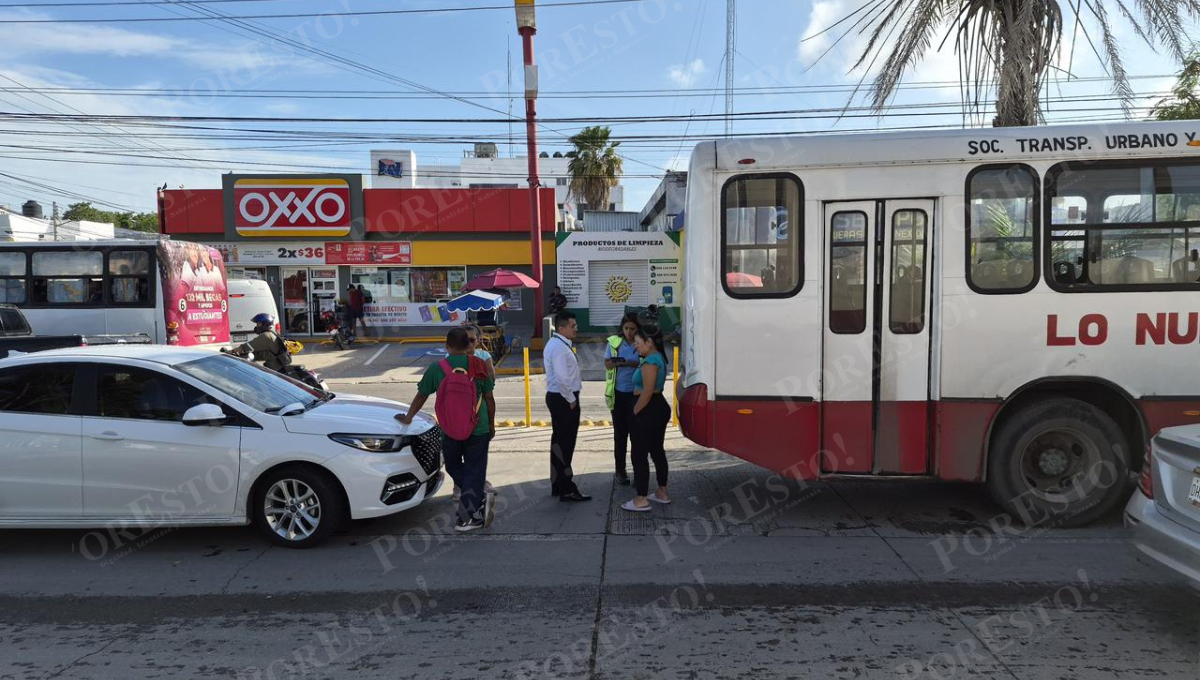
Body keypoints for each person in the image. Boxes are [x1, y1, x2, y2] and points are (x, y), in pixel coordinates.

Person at [397, 328, 497, 532]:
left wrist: (408, 417)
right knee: (475, 470)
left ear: (447, 346)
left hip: (449, 429)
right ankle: (474, 500)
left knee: (452, 465)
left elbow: (421, 395)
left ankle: (466, 515)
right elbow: (489, 398)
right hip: (479, 427)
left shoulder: (437, 368)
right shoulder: (478, 365)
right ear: (468, 344)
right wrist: (492, 424)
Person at [622, 327, 672, 513]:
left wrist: (634, 412)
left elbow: (648, 392)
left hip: (647, 410)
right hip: (656, 408)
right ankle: (661, 492)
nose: (636, 346)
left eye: (638, 343)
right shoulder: (658, 358)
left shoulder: (651, 361)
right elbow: (653, 390)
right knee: (657, 450)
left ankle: (641, 498)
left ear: (649, 342)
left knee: (639, 454)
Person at [543, 310, 590, 502]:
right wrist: (571, 400)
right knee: (565, 445)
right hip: (564, 399)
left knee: (558, 444)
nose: (576, 329)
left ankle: (558, 484)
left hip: (559, 397)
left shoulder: (557, 344)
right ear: (561, 328)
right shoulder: (560, 348)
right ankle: (566, 488)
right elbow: (563, 379)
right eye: (572, 326)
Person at [604, 313, 640, 486]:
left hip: (636, 396)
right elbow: (607, 363)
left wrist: (625, 362)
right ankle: (620, 472)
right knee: (620, 436)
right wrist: (623, 361)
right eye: (626, 328)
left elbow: (641, 362)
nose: (629, 332)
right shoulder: (614, 343)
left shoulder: (642, 343)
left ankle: (639, 472)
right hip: (618, 395)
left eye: (632, 329)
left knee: (637, 436)